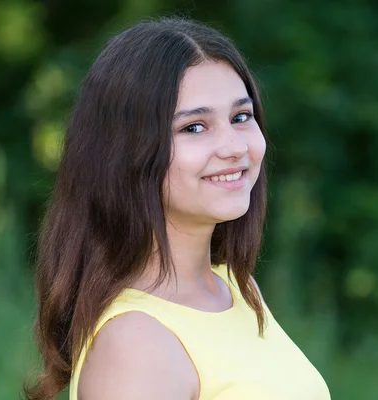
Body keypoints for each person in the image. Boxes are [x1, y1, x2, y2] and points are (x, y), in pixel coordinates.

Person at [24, 17, 331, 400]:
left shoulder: (235, 286)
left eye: (240, 117)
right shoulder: (136, 343)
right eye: (194, 127)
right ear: (125, 153)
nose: (234, 146)